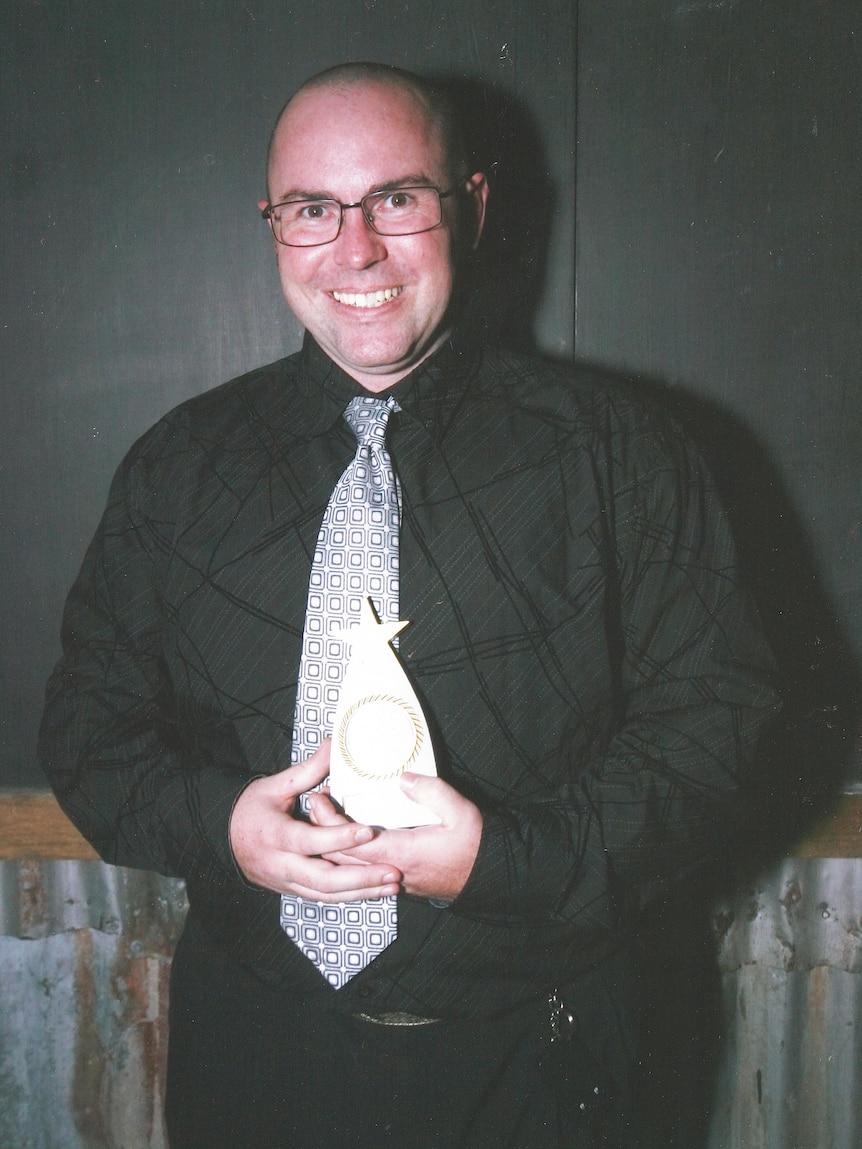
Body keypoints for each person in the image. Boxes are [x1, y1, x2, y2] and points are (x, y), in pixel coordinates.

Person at [39, 63, 780, 1148]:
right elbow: (86, 727)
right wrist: (219, 825)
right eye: (311, 209)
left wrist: (506, 861)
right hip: (258, 1057)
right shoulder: (177, 467)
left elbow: (719, 731)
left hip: (545, 1060)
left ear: (469, 208)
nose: (355, 250)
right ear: (272, 225)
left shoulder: (622, 454)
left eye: (395, 198)